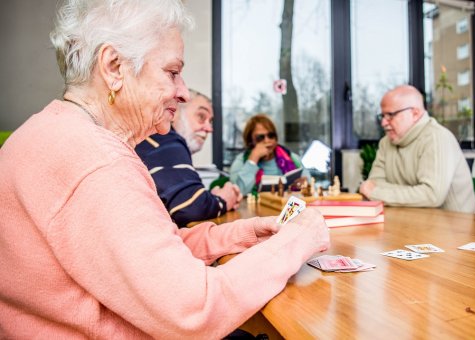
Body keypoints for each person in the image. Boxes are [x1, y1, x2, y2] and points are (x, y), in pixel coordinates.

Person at [0, 1, 330, 339]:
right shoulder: (97, 164)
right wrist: (297, 239)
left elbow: (149, 254)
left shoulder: (48, 133)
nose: (183, 92)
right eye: (172, 72)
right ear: (114, 67)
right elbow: (197, 312)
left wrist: (242, 234)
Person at [359, 85, 475, 212]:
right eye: (382, 116)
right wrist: (415, 194)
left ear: (415, 114)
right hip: (411, 222)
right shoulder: (386, 143)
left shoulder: (436, 138)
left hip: (456, 228)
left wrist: (378, 193)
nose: (383, 123)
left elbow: (432, 196)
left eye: (390, 115)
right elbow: (374, 184)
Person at [135, 89, 241, 228]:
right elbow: (191, 208)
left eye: (211, 121)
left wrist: (209, 196)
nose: (209, 128)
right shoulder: (165, 139)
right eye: (201, 116)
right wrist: (225, 199)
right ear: (175, 112)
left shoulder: (153, 140)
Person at [229, 114, 308, 195]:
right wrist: (253, 159)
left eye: (271, 135)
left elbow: (308, 182)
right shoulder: (241, 162)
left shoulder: (291, 157)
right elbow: (238, 193)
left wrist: (303, 184)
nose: (267, 140)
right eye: (260, 137)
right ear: (250, 140)